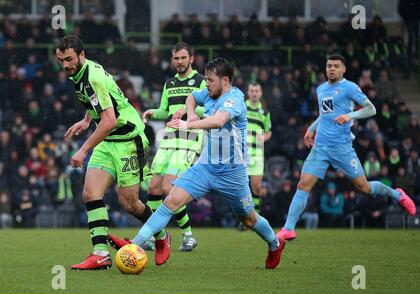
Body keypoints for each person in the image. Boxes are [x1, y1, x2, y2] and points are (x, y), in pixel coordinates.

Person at [108, 58, 286, 269]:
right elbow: (192, 96)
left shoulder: (235, 99)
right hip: (205, 167)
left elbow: (218, 120)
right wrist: (190, 111)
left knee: (248, 219)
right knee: (170, 201)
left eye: (210, 80)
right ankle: (134, 245)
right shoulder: (209, 92)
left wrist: (187, 124)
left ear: (225, 80)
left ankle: (275, 244)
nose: (206, 84)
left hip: (232, 173)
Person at [56, 35, 168, 270]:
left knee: (130, 204)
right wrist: (87, 120)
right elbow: (100, 101)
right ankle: (100, 254)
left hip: (128, 138)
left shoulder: (91, 76)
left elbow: (109, 120)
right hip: (108, 140)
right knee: (90, 193)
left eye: (68, 59)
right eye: (61, 60)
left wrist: (84, 150)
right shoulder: (81, 72)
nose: (65, 65)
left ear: (81, 56)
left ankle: (161, 234)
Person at [278, 53, 416, 241]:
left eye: (336, 66)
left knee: (364, 187)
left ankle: (397, 194)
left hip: (342, 148)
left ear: (344, 69)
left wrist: (350, 116)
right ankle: (289, 228)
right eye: (329, 66)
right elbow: (324, 115)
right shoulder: (321, 89)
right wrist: (310, 129)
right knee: (303, 184)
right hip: (320, 148)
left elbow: (371, 109)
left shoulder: (349, 87)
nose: (331, 69)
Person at [142, 42, 206, 251]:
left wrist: (187, 112)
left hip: (190, 138)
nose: (179, 62)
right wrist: (153, 112)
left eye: (183, 58)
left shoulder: (201, 82)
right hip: (169, 138)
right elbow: (165, 111)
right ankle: (157, 236)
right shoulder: (169, 84)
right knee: (153, 187)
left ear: (191, 58)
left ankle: (188, 236)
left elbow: (209, 110)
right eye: (176, 58)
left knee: (169, 188)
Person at [245, 83, 271, 216]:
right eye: (252, 91)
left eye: (256, 91)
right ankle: (245, 217)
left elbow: (268, 132)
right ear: (248, 93)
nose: (254, 93)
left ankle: (255, 216)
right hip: (241, 154)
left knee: (256, 187)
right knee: (241, 188)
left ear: (260, 93)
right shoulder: (242, 108)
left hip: (257, 154)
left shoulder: (265, 113)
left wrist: (264, 137)